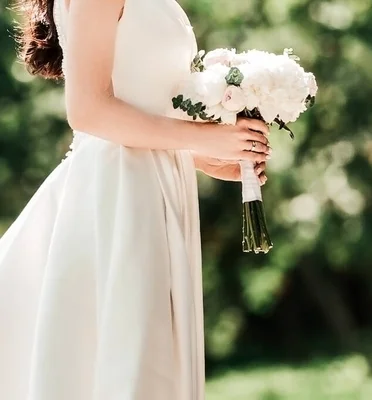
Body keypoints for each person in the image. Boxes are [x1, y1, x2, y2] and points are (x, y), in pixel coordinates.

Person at [0, 0, 271, 398]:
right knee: (131, 357)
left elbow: (142, 104)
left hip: (156, 183)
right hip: (118, 196)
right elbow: (88, 111)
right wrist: (206, 138)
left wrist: (204, 158)